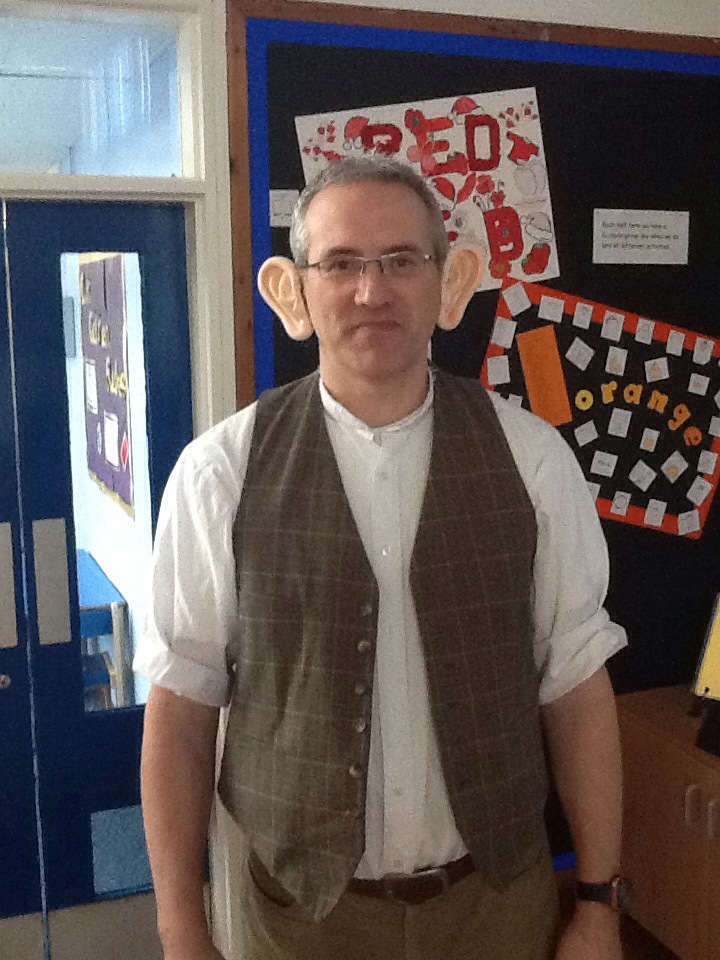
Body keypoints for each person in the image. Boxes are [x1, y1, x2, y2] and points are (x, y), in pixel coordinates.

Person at [135, 156, 628, 960]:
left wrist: (600, 905)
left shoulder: (533, 460)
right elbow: (182, 711)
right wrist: (181, 931)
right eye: (341, 264)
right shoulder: (220, 473)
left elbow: (576, 689)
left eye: (402, 260)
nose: (372, 291)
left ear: (447, 282)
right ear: (296, 290)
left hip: (496, 908)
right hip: (296, 923)